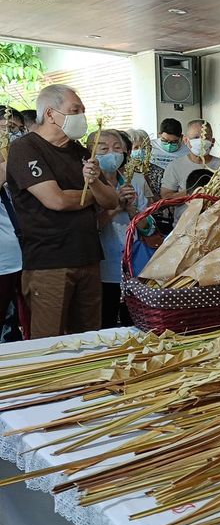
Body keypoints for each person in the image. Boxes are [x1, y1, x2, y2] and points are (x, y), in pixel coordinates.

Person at [6, 84, 119, 338]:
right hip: (50, 261)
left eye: (83, 111)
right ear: (50, 113)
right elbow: (55, 200)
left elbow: (111, 200)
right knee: (50, 339)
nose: (81, 117)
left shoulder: (80, 151)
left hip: (88, 256)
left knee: (89, 337)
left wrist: (93, 186)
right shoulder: (26, 149)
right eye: (74, 110)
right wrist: (92, 196)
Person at [91, 129, 153, 328]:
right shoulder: (87, 184)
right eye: (104, 149)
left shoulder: (134, 180)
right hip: (100, 267)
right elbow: (88, 228)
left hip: (132, 265)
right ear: (91, 153)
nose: (112, 153)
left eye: (117, 149)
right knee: (105, 322)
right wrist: (116, 206)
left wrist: (132, 210)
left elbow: (148, 228)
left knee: (133, 323)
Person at [161, 120, 220, 223]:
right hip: (183, 227)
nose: (201, 141)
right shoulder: (175, 166)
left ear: (213, 142)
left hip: (217, 226)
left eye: (206, 138)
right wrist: (192, 192)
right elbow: (166, 198)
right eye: (196, 137)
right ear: (186, 140)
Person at [0, 107, 25, 341]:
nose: (13, 134)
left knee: (16, 328)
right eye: (7, 129)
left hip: (20, 259)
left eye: (17, 129)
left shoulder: (17, 165)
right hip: (2, 263)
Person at [146, 117, 187, 235]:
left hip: (175, 197)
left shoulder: (187, 152)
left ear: (181, 137)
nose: (169, 145)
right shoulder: (150, 147)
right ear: (159, 134)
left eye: (173, 142)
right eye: (165, 140)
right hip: (152, 196)